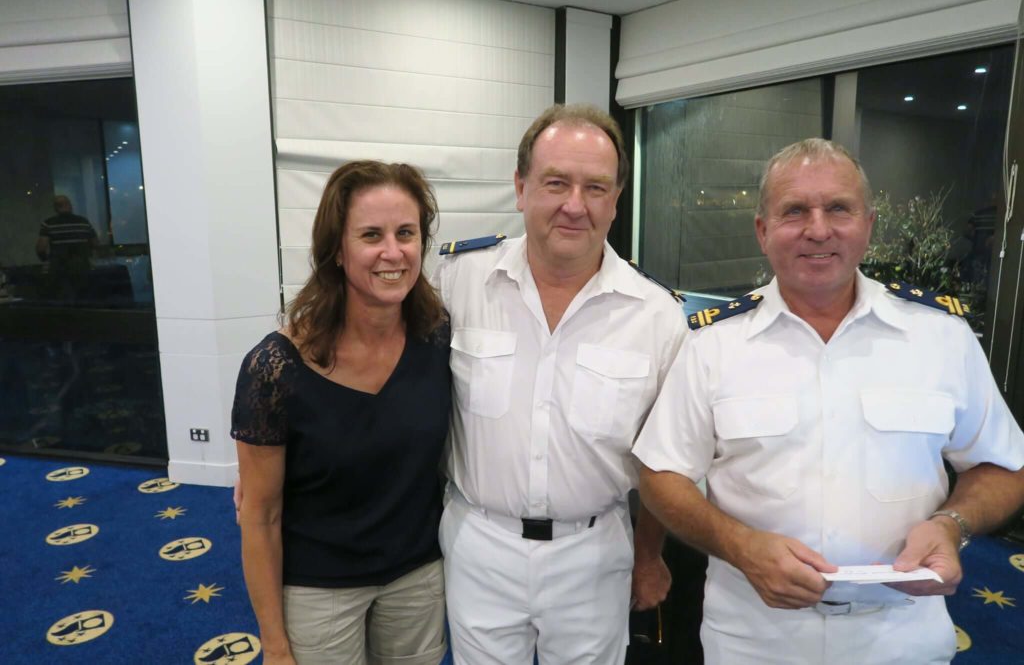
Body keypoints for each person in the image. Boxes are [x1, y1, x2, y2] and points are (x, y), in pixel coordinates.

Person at [633, 138, 1024, 664]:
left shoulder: (941, 338)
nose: (818, 229)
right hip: (756, 635)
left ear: (868, 223)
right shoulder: (711, 345)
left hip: (902, 634)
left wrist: (952, 525)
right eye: (795, 211)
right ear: (762, 230)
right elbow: (661, 475)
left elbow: (1004, 466)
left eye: (838, 208)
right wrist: (740, 548)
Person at [434, 103, 687, 664]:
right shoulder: (457, 281)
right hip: (481, 545)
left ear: (616, 201)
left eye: (596, 188)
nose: (575, 205)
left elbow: (664, 461)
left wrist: (649, 556)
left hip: (592, 555)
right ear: (521, 187)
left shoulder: (657, 317)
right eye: (556, 183)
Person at [231, 161, 450, 665]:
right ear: (336, 248)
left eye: (406, 233)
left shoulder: (438, 338)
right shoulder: (275, 368)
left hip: (417, 576)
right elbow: (260, 517)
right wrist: (275, 646)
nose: (392, 252)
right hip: (318, 588)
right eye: (371, 235)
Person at [36, 194, 97, 301]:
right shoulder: (83, 222)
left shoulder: (48, 224)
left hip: (58, 268)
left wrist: (46, 260)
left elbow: (41, 247)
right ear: (70, 206)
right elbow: (95, 243)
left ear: (55, 208)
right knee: (84, 300)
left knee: (62, 302)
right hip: (82, 267)